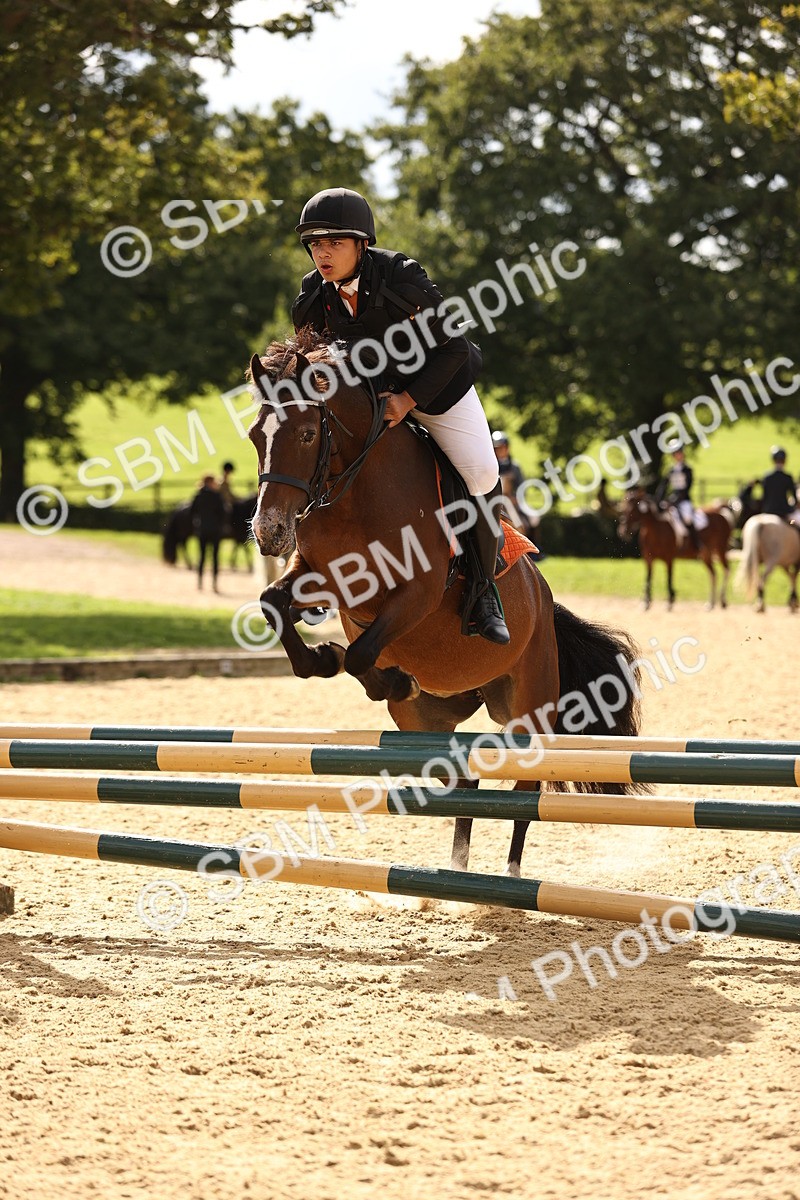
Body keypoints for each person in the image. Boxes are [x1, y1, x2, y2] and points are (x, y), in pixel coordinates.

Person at [291, 186, 509, 645]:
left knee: (481, 470)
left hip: (437, 388)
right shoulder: (312, 296)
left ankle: (484, 589)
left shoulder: (402, 277)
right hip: (370, 401)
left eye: (334, 243)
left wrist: (408, 401)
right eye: (315, 245)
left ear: (361, 244)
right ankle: (316, 577)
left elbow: (451, 347)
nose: (322, 255)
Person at [492, 430, 538, 540]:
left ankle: (535, 547)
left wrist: (516, 498)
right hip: (495, 501)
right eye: (496, 448)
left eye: (501, 447)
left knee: (534, 518)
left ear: (507, 448)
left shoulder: (514, 467)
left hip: (513, 500)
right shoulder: (492, 466)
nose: (499, 450)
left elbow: (522, 487)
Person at [656, 447, 700, 550]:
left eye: (680, 453)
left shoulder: (687, 469)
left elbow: (687, 487)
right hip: (673, 499)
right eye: (676, 453)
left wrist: (676, 500)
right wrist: (659, 499)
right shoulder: (671, 470)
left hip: (684, 500)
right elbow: (664, 486)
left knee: (688, 517)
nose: (678, 455)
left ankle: (696, 543)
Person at [190, 474, 226, 592]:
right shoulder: (216, 496)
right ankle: (214, 583)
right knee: (215, 557)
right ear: (210, 483)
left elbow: (192, 512)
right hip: (215, 530)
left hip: (202, 530)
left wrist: (196, 524)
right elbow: (223, 513)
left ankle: (200, 582)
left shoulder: (198, 496)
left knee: (202, 556)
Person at [757, 447, 798, 522]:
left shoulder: (767, 477)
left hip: (768, 510)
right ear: (785, 460)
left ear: (773, 460)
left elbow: (764, 496)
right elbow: (794, 496)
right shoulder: (788, 477)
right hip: (783, 511)